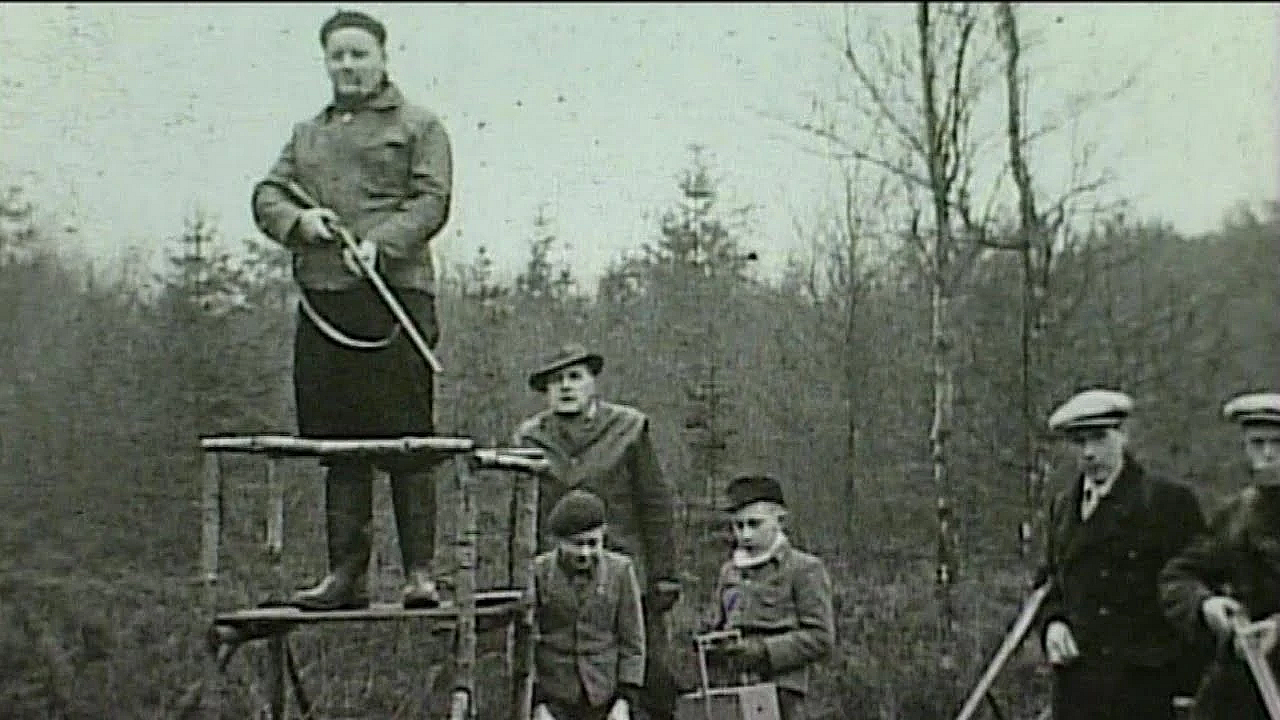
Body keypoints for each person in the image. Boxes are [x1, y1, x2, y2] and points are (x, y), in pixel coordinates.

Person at [250, 9, 453, 610]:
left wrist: (381, 244)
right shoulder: (306, 134)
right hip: (325, 307)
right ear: (326, 62)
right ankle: (346, 576)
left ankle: (419, 574)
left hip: (395, 303)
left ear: (383, 58)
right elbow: (267, 193)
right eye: (337, 55)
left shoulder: (420, 125)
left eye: (359, 54)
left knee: (407, 441)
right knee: (338, 446)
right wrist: (300, 222)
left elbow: (433, 200)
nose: (348, 65)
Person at [512, 343, 682, 720]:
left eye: (575, 377)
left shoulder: (629, 429)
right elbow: (521, 515)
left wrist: (664, 574)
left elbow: (655, 505)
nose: (566, 387)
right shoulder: (530, 439)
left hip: (625, 580)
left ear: (593, 382)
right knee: (550, 680)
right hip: (556, 581)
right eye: (555, 381)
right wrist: (521, 575)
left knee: (649, 679)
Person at [1036, 388, 1207, 720]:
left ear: (1123, 436)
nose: (1089, 452)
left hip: (1143, 691)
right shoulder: (1062, 507)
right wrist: (1053, 624)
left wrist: (1189, 690)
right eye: (1079, 442)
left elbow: (1193, 589)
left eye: (1099, 438)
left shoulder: (1166, 502)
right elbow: (1049, 583)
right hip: (1076, 690)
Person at [1159, 391, 1280, 720]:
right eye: (1257, 444)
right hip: (1238, 689)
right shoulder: (1236, 515)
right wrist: (1206, 606)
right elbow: (1178, 575)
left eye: (1278, 443)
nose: (1268, 454)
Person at [701, 474, 835, 720]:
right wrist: (711, 644)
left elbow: (820, 637)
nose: (745, 534)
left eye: (755, 524)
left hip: (783, 693)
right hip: (732, 689)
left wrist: (764, 651)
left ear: (779, 521)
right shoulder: (730, 571)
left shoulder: (804, 568)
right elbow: (715, 624)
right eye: (738, 526)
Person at [532, 489, 646, 720]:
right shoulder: (538, 573)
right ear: (558, 542)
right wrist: (537, 703)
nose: (585, 552)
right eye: (576, 544)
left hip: (605, 697)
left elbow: (632, 643)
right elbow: (527, 642)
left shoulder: (621, 572)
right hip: (556, 697)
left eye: (593, 543)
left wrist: (624, 700)